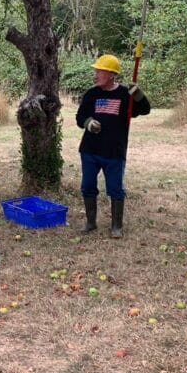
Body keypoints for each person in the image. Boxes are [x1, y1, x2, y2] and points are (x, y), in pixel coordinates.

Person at [76, 54, 151, 238]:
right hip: (90, 151)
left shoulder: (125, 95)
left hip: (114, 151)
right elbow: (79, 117)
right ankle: (91, 222)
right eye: (96, 71)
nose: (95, 75)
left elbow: (145, 110)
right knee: (87, 186)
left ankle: (116, 226)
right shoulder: (91, 94)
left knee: (115, 188)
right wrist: (89, 123)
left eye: (99, 71)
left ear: (111, 74)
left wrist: (139, 95)